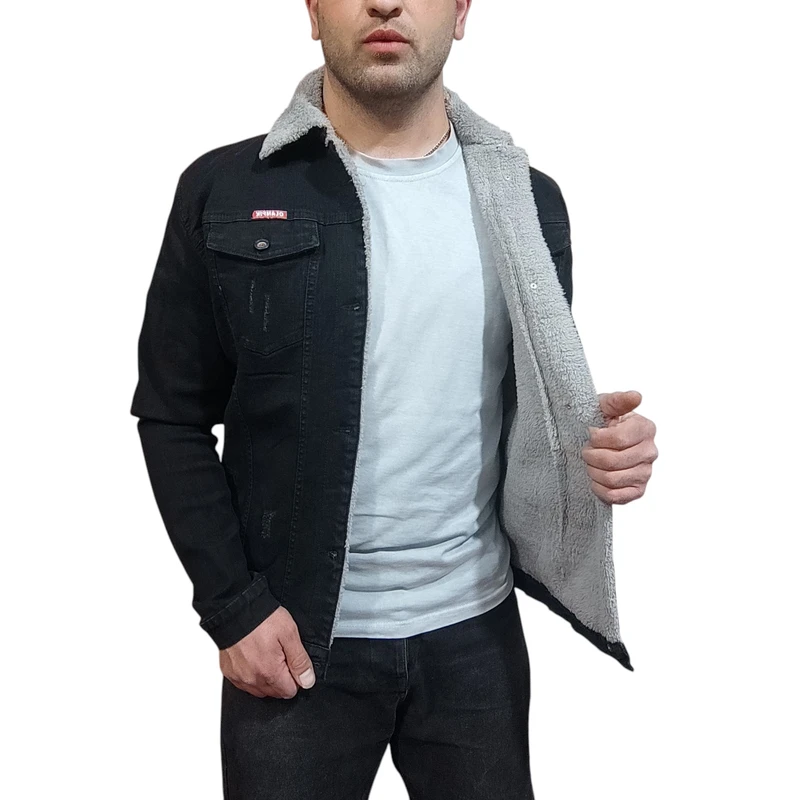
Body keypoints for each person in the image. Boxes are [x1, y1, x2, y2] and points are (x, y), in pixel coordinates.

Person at [130, 1, 658, 797]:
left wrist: (601, 453)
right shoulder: (225, 189)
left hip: (477, 637)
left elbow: (532, 412)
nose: (385, 2)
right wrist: (233, 607)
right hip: (293, 642)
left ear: (461, 12)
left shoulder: (528, 201)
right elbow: (172, 415)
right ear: (313, 12)